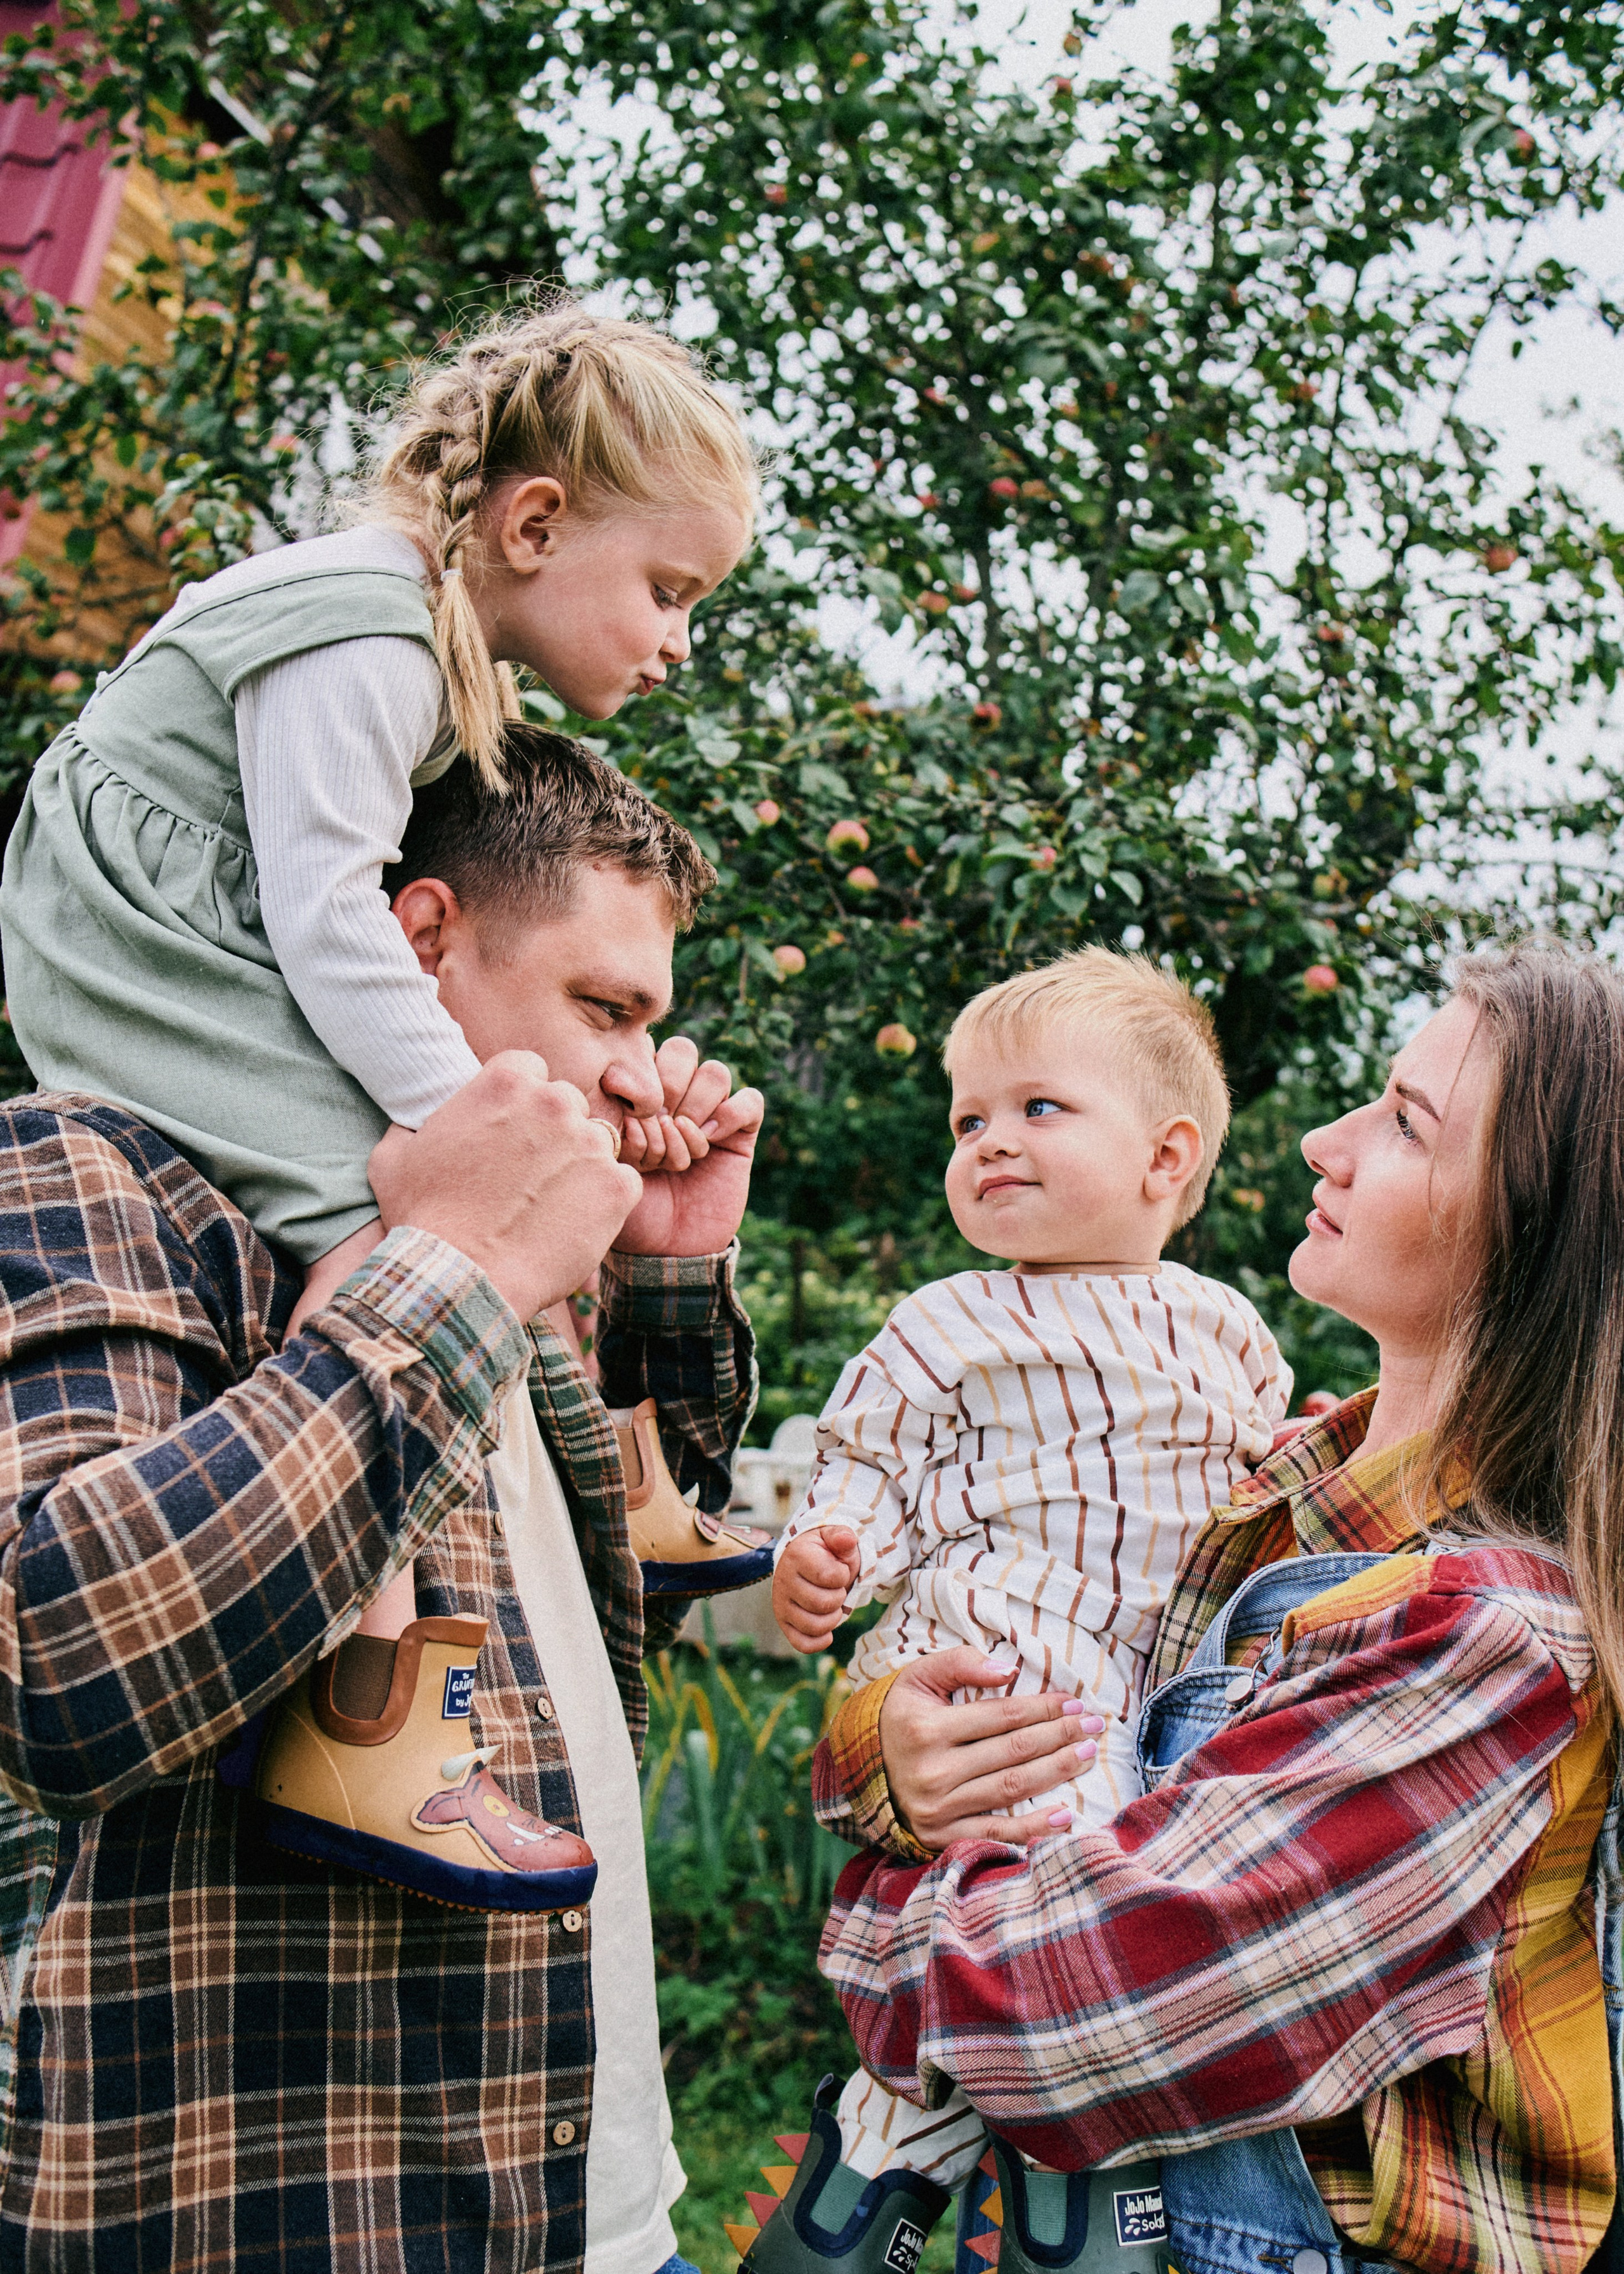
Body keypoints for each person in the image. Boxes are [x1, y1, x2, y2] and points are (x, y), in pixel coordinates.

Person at [0, 299, 771, 1899]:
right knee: (389, 1225)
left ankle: (616, 1503)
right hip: (150, 955)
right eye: (670, 589)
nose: (680, 636)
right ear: (534, 521)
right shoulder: (362, 621)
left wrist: (631, 1248)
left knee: (431, 1223)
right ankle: (371, 1709)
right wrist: (468, 1121)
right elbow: (325, 914)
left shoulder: (419, 651)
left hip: (186, 935)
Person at [0, 729, 763, 2273]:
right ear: (418, 942)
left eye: (652, 1018)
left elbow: (608, 1625)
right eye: (602, 1005)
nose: (637, 1063)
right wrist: (458, 1267)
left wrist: (669, 1273)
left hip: (598, 2202)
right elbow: (60, 1662)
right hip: (316, 2213)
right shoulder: (96, 1169)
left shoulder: (518, 1244)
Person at [768, 944, 1618, 2274]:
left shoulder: (1480, 1630)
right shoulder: (1261, 1491)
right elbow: (1023, 1687)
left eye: (1401, 1121)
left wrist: (874, 1894)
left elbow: (1055, 2027)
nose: (1322, 1145)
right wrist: (881, 1751)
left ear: (1530, 1220)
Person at [759, 950, 1289, 2240]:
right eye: (966, 1119)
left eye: (1036, 1107)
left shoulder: (1226, 1328)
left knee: (1098, 1959)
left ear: (1165, 1161)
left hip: (1137, 1710)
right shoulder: (945, 1321)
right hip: (990, 1672)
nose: (988, 1140)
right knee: (1019, 1927)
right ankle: (892, 2154)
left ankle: (1029, 2174)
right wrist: (827, 1550)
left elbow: (1256, 1487)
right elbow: (866, 1463)